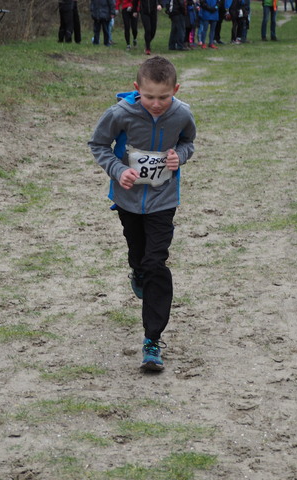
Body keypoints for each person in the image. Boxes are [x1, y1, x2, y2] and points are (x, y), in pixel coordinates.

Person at [88, 56, 196, 372]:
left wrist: (181, 156)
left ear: (175, 90)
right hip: (128, 201)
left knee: (156, 263)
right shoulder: (120, 113)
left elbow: (189, 141)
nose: (157, 104)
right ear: (137, 89)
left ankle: (152, 341)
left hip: (163, 201)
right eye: (149, 97)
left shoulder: (181, 114)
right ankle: (137, 270)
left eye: (164, 97)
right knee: (139, 257)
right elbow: (98, 145)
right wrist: (118, 169)